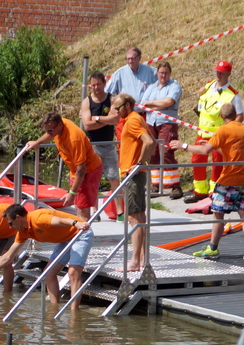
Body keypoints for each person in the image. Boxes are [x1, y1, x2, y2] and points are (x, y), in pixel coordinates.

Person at [170, 103, 244, 260]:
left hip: (228, 180)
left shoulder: (223, 130)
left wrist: (183, 145)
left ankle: (213, 248)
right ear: (236, 115)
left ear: (221, 117)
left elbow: (203, 151)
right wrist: (215, 147)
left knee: (218, 214)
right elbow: (232, 152)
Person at [0, 204, 93, 311]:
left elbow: (59, 220)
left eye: (10, 223)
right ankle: (54, 309)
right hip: (65, 240)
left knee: (73, 273)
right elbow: (8, 256)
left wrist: (76, 223)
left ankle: (73, 313)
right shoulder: (23, 232)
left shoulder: (37, 218)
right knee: (48, 274)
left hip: (81, 233)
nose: (10, 227)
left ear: (18, 218)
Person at [26, 112, 103, 222]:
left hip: (88, 171)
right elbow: (49, 134)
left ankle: (84, 237)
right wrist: (37, 142)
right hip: (75, 170)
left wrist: (72, 193)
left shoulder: (74, 139)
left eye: (50, 130)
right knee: (78, 206)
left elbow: (82, 169)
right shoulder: (57, 127)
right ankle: (80, 234)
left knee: (82, 209)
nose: (48, 133)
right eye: (45, 130)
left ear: (59, 125)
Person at [185, 60, 244, 204]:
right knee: (197, 160)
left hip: (219, 134)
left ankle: (214, 193)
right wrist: (199, 94)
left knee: (217, 163)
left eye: (221, 72)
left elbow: (240, 115)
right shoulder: (209, 85)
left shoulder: (232, 95)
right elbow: (203, 103)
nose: (218, 74)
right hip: (202, 131)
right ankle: (200, 191)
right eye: (217, 71)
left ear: (228, 74)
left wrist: (231, 129)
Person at [112, 93, 157, 272]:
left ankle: (134, 261)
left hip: (133, 175)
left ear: (128, 105)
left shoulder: (132, 121)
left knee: (133, 217)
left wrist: (138, 164)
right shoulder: (136, 119)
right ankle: (142, 259)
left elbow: (148, 142)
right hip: (134, 173)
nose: (116, 111)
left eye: (118, 107)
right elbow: (151, 141)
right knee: (139, 216)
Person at [80, 71, 124, 220]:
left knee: (114, 178)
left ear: (104, 83)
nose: (96, 87)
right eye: (93, 85)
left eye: (98, 84)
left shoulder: (111, 99)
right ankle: (95, 211)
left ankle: (120, 212)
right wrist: (105, 120)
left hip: (109, 144)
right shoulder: (87, 101)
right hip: (92, 144)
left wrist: (97, 118)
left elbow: (116, 119)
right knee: (93, 178)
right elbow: (87, 125)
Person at [140, 61, 183, 199]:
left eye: (166, 73)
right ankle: (156, 184)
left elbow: (168, 102)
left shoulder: (174, 86)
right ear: (157, 73)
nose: (163, 75)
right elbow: (143, 104)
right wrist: (158, 105)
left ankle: (174, 186)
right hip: (151, 122)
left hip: (167, 123)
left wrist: (153, 104)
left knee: (167, 152)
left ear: (169, 73)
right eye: (161, 72)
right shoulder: (152, 87)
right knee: (153, 153)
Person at [106, 47, 157, 142]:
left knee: (144, 144)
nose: (130, 61)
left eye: (132, 58)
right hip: (125, 116)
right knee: (124, 143)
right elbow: (107, 93)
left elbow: (163, 82)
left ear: (139, 58)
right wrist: (112, 107)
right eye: (128, 59)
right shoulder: (119, 74)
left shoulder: (151, 72)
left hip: (144, 116)